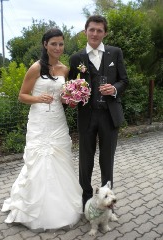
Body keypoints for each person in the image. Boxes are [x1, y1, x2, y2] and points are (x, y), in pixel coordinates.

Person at [2, 28, 82, 231]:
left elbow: (63, 97)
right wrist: (38, 98)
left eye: (61, 44)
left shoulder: (64, 69)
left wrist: (71, 99)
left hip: (57, 120)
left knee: (59, 158)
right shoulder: (36, 68)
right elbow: (22, 95)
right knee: (40, 161)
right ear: (45, 44)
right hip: (39, 121)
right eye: (53, 43)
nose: (57, 47)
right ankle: (36, 210)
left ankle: (62, 207)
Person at [68, 15, 129, 210]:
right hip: (86, 115)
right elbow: (70, 86)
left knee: (107, 159)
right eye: (91, 29)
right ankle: (87, 200)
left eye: (99, 30)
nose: (95, 33)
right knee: (85, 160)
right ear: (85, 31)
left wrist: (115, 88)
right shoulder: (76, 58)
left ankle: (107, 201)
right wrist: (72, 96)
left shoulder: (115, 53)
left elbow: (124, 80)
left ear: (105, 33)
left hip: (109, 115)